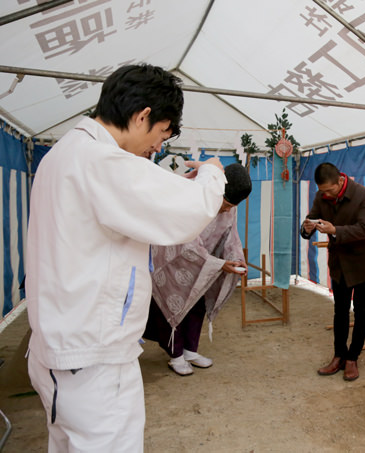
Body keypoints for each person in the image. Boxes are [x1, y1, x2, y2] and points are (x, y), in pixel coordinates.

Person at [25, 64, 226, 452]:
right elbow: (190, 211)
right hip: (93, 359)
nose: (157, 148)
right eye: (161, 135)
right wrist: (212, 174)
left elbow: (134, 199)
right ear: (142, 116)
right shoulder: (99, 161)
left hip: (62, 350)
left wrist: (171, 184)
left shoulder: (66, 154)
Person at [144, 163, 252, 376]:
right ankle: (175, 356)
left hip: (203, 262)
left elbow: (231, 235)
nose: (227, 210)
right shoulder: (191, 193)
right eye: (225, 204)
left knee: (198, 304)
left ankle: (190, 350)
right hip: (171, 261)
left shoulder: (230, 206)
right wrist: (219, 264)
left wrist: (235, 258)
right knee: (173, 305)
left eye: (232, 206)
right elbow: (186, 241)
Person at [300, 163, 365, 381]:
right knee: (340, 310)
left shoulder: (363, 194)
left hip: (363, 262)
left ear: (340, 181)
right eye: (322, 191)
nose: (326, 194)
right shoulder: (321, 195)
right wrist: (306, 227)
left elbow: (364, 229)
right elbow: (312, 217)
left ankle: (352, 358)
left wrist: (335, 230)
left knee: (362, 310)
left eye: (329, 190)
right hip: (339, 263)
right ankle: (339, 355)